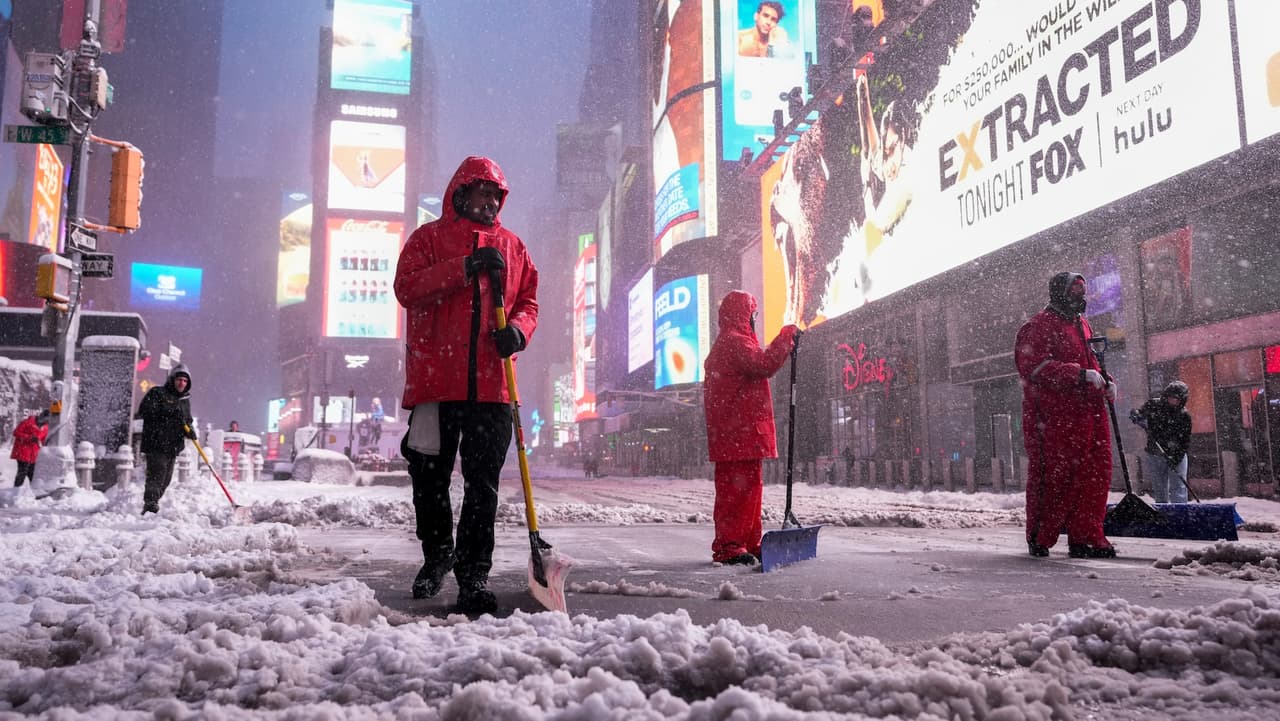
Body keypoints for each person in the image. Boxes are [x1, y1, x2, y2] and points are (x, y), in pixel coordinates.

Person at [394, 155, 539, 615]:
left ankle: (474, 574)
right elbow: (407, 288)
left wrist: (518, 331)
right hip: (436, 385)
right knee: (429, 479)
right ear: (462, 193)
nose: (491, 201)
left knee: (483, 487)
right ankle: (437, 555)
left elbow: (529, 300)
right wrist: (464, 267)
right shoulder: (428, 239)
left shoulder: (514, 247)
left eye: (497, 194)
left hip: (492, 387)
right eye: (483, 192)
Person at [1015, 273, 1117, 559]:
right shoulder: (1038, 326)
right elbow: (1033, 367)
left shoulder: (1081, 324)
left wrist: (1106, 380)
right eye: (1075, 291)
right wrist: (1079, 375)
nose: (1080, 297)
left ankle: (1086, 537)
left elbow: (1090, 361)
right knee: (1056, 476)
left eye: (1082, 291)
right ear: (1060, 293)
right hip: (1055, 417)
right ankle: (1041, 536)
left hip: (1089, 412)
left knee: (1095, 475)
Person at [703, 290, 800, 565]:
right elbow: (764, 364)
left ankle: (745, 542)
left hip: (737, 435)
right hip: (740, 434)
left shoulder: (728, 343)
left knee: (747, 493)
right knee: (739, 494)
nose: (754, 320)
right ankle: (731, 546)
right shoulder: (735, 343)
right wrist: (786, 337)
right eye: (752, 314)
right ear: (743, 315)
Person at [136, 364, 196, 514]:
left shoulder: (184, 400)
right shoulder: (158, 393)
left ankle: (152, 504)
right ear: (172, 380)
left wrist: (190, 430)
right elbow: (144, 410)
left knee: (166, 479)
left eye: (185, 381)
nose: (182, 383)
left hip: (172, 446)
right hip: (156, 443)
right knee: (157, 475)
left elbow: (186, 420)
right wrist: (168, 412)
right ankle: (150, 505)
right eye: (179, 379)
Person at [1129, 381, 1192, 503]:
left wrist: (1176, 457)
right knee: (1159, 488)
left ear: (1182, 400)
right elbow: (1140, 413)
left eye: (1176, 399)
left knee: (1178, 488)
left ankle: (1179, 511)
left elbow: (1185, 441)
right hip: (1155, 453)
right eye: (1170, 397)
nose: (1172, 400)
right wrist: (1136, 415)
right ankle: (1162, 511)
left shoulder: (1184, 416)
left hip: (1176, 454)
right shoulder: (1153, 405)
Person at [10, 411, 49, 487]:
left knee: (33, 474)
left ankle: (33, 491)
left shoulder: (46, 427)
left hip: (34, 454)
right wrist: (29, 437)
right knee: (22, 472)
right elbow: (16, 432)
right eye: (47, 419)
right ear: (42, 416)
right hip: (22, 451)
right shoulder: (27, 422)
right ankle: (16, 490)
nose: (47, 421)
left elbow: (44, 440)